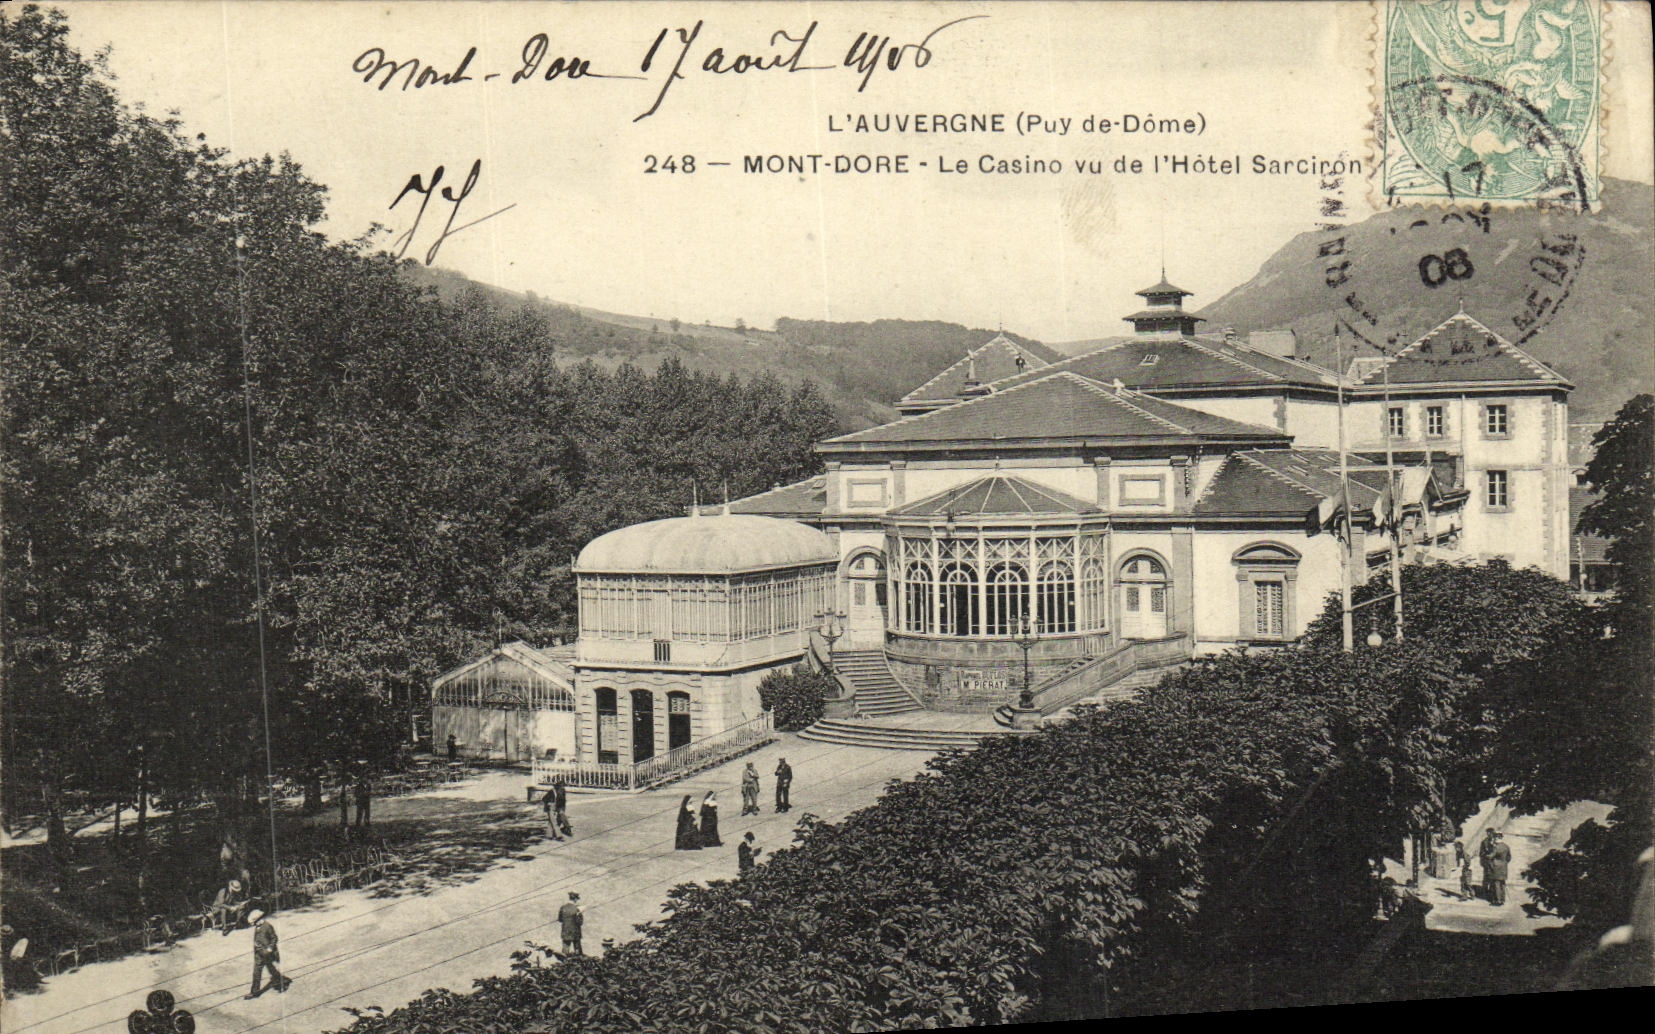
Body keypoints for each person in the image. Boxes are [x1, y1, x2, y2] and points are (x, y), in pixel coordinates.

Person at [243, 910, 291, 999]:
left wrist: (270, 948)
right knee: (256, 973)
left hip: (267, 953)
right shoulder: (258, 927)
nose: (254, 925)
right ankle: (254, 992)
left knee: (271, 969)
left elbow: (274, 938)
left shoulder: (267, 926)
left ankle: (282, 983)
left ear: (259, 919)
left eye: (254, 923)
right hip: (259, 954)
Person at [1485, 831, 1512, 906]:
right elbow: (1509, 857)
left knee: (1496, 884)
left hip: (1495, 868)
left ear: (1496, 838)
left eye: (1494, 837)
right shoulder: (1506, 846)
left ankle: (1497, 900)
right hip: (1504, 867)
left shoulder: (1496, 847)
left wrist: (1486, 854)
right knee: (1502, 884)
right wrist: (1504, 862)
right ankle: (1502, 899)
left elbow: (1490, 856)